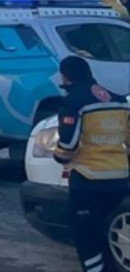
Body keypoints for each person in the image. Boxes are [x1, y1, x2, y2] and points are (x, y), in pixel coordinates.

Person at [51, 55, 128, 272]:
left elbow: (68, 144)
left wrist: (58, 156)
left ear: (66, 76)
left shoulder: (74, 101)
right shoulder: (119, 100)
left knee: (87, 238)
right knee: (108, 236)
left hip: (88, 180)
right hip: (120, 180)